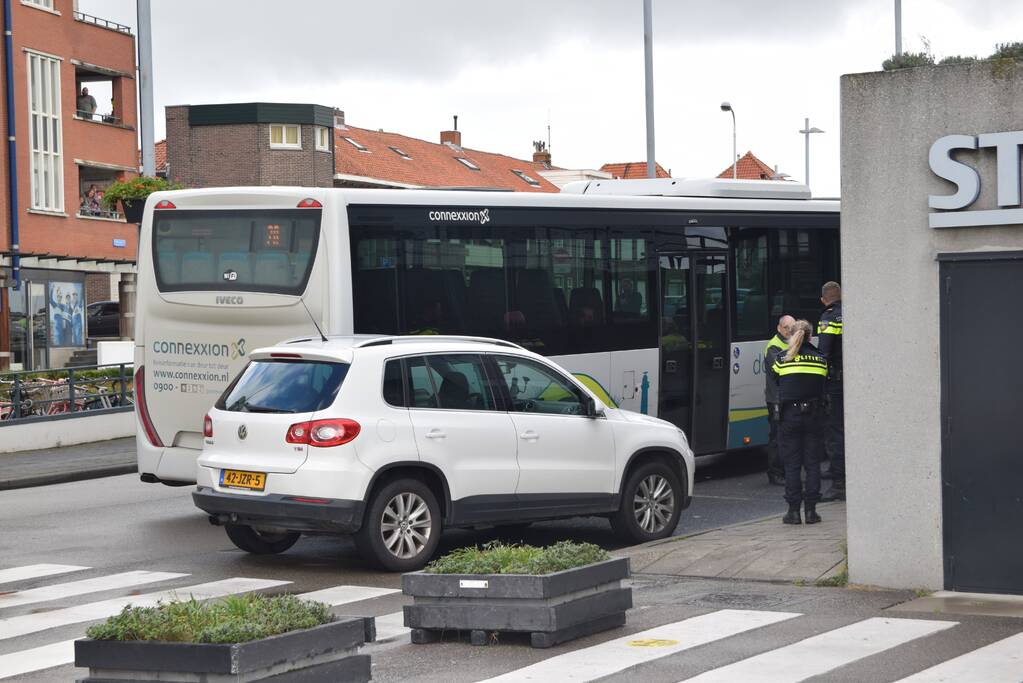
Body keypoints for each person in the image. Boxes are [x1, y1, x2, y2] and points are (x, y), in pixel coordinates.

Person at [771, 319, 828, 524]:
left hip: (790, 417)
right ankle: (811, 512)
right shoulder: (821, 359)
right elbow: (824, 384)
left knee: (792, 464)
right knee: (812, 464)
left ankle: (793, 512)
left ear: (791, 335)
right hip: (814, 416)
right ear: (810, 337)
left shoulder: (781, 359)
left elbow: (776, 379)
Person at [818, 281, 845, 502]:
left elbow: (824, 353)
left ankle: (839, 483)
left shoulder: (828, 317)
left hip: (836, 381)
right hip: (853, 380)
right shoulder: (851, 311)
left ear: (824, 299)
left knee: (835, 430)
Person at [764, 314, 795, 486]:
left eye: (792, 328)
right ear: (779, 328)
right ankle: (775, 473)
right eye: (786, 328)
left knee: (789, 436)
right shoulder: (773, 347)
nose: (789, 331)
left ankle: (786, 471)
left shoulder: (793, 343)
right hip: (777, 399)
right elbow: (780, 370)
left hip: (789, 396)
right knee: (777, 437)